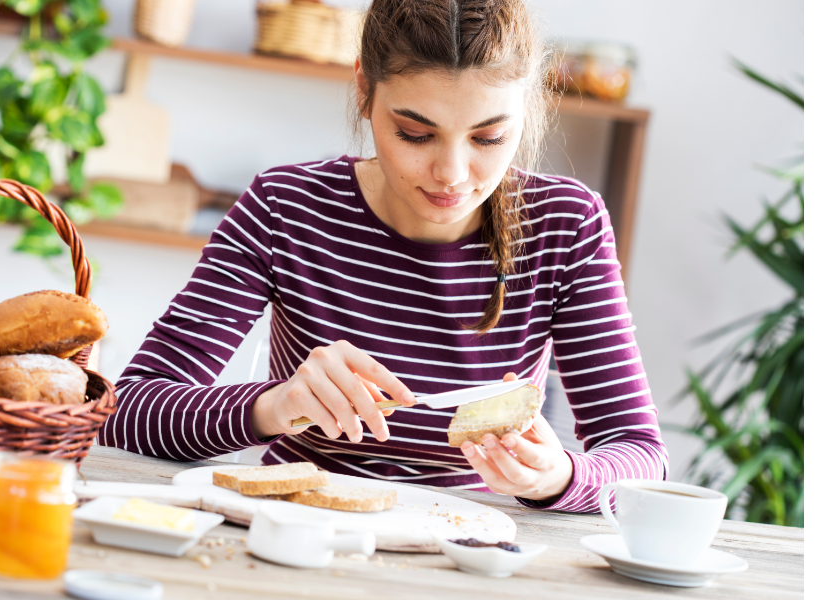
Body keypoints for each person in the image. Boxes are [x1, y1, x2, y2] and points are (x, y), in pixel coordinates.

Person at [98, 0, 667, 511]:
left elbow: (640, 457)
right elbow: (128, 411)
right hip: (299, 526)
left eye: (488, 138)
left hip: (472, 549)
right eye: (415, 133)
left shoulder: (566, 225)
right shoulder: (285, 207)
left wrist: (560, 477)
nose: (451, 174)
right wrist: (274, 405)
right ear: (363, 91)